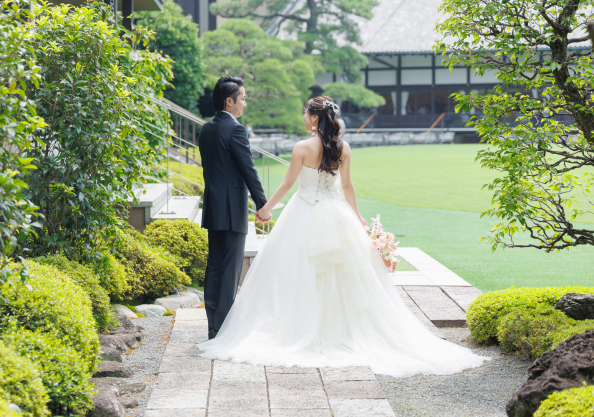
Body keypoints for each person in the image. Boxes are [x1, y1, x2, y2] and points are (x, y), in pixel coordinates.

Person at [197, 96, 489, 376]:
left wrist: (265, 209)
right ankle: (338, 330)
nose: (303, 116)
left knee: (302, 273)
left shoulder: (301, 148)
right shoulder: (343, 147)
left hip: (304, 212)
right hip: (336, 214)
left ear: (313, 118)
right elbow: (347, 187)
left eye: (305, 112)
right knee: (341, 275)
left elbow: (287, 185)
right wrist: (358, 216)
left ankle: (305, 328)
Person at [199, 76, 269, 341]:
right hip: (232, 208)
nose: (245, 104)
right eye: (243, 99)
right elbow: (248, 170)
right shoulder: (236, 130)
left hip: (213, 207)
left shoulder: (205, 129)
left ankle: (213, 326)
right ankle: (224, 329)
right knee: (230, 270)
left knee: (214, 267)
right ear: (230, 101)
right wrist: (262, 204)